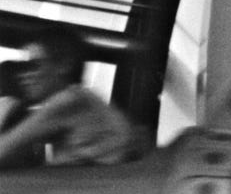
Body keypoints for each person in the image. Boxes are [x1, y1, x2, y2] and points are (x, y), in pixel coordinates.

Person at [0, 23, 142, 169]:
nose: (24, 75)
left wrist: (6, 104)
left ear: (64, 65)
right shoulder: (84, 100)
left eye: (34, 65)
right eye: (23, 68)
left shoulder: (70, 101)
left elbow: (5, 148)